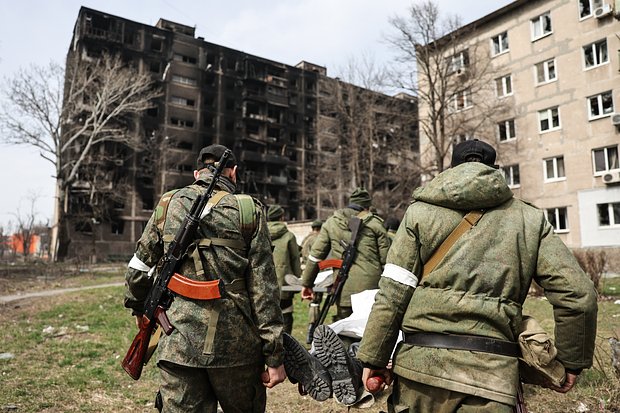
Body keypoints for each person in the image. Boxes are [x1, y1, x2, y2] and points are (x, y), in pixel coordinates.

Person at [356, 139, 598, 412]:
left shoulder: (418, 213)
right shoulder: (529, 219)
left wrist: (374, 359)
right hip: (493, 377)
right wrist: (570, 362)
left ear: (451, 169)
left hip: (419, 371)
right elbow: (579, 295)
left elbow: (394, 292)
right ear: (494, 170)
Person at [123, 144, 286, 413]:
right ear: (233, 173)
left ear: (197, 172)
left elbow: (138, 269)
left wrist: (138, 306)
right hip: (238, 351)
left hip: (178, 344)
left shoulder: (168, 204)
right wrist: (274, 354)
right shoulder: (248, 211)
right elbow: (264, 290)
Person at [301, 188, 390, 322]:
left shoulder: (331, 223)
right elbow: (387, 261)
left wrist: (307, 283)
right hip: (371, 289)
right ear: (367, 206)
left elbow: (315, 257)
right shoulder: (375, 224)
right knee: (368, 329)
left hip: (344, 288)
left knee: (345, 328)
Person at [267, 204, 302, 334]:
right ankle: (287, 346)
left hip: (264, 283)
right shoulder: (289, 236)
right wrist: (297, 279)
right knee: (286, 314)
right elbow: (295, 259)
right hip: (284, 283)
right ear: (282, 217)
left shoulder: (261, 233)